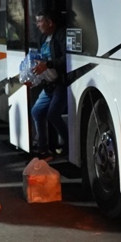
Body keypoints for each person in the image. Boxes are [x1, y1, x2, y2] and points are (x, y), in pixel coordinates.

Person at [29, 9, 69, 161]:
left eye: (40, 21)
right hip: (48, 84)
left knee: (53, 114)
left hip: (60, 83)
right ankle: (43, 150)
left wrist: (48, 64)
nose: (38, 25)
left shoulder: (61, 35)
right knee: (37, 112)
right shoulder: (42, 38)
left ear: (50, 22)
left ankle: (69, 145)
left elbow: (67, 59)